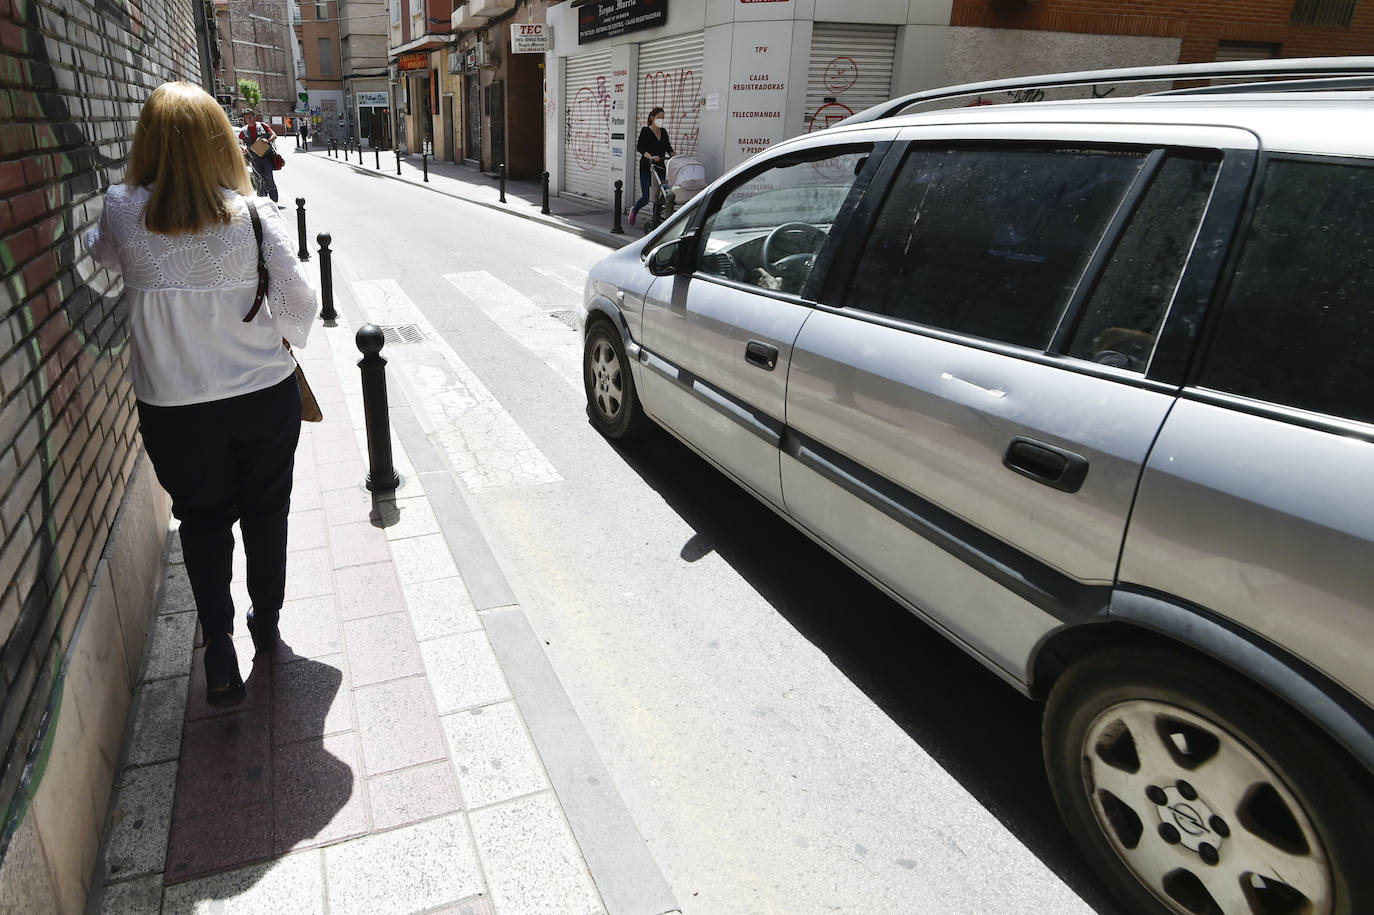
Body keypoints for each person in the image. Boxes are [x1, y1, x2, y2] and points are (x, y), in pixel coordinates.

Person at [85, 82, 318, 707]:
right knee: (268, 510)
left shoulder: (120, 212)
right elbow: (301, 306)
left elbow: (102, 262)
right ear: (221, 143)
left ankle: (218, 653)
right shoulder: (251, 216)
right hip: (260, 395)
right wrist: (265, 333)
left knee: (202, 520)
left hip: (173, 407)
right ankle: (265, 625)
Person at [630, 106, 672, 227]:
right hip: (647, 167)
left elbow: (668, 148)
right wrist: (651, 156)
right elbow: (640, 148)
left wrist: (674, 155)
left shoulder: (663, 132)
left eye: (663, 118)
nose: (661, 120)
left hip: (660, 167)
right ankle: (634, 210)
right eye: (659, 117)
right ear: (652, 118)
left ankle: (656, 221)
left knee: (659, 197)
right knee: (646, 197)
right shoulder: (645, 131)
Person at [238, 108, 280, 203]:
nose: (250, 119)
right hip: (255, 160)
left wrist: (268, 140)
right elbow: (241, 142)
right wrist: (243, 148)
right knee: (259, 181)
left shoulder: (263, 126)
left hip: (266, 158)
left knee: (269, 179)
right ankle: (263, 202)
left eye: (251, 117)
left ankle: (274, 201)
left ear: (254, 116)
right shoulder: (243, 131)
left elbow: (274, 135)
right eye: (247, 118)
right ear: (245, 119)